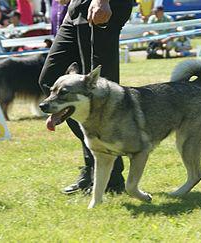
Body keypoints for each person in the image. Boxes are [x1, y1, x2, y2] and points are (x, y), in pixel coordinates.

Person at [38, 0, 133, 194]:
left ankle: (109, 176)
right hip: (76, 8)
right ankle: (96, 167)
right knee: (50, 80)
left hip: (100, 6)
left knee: (98, 93)